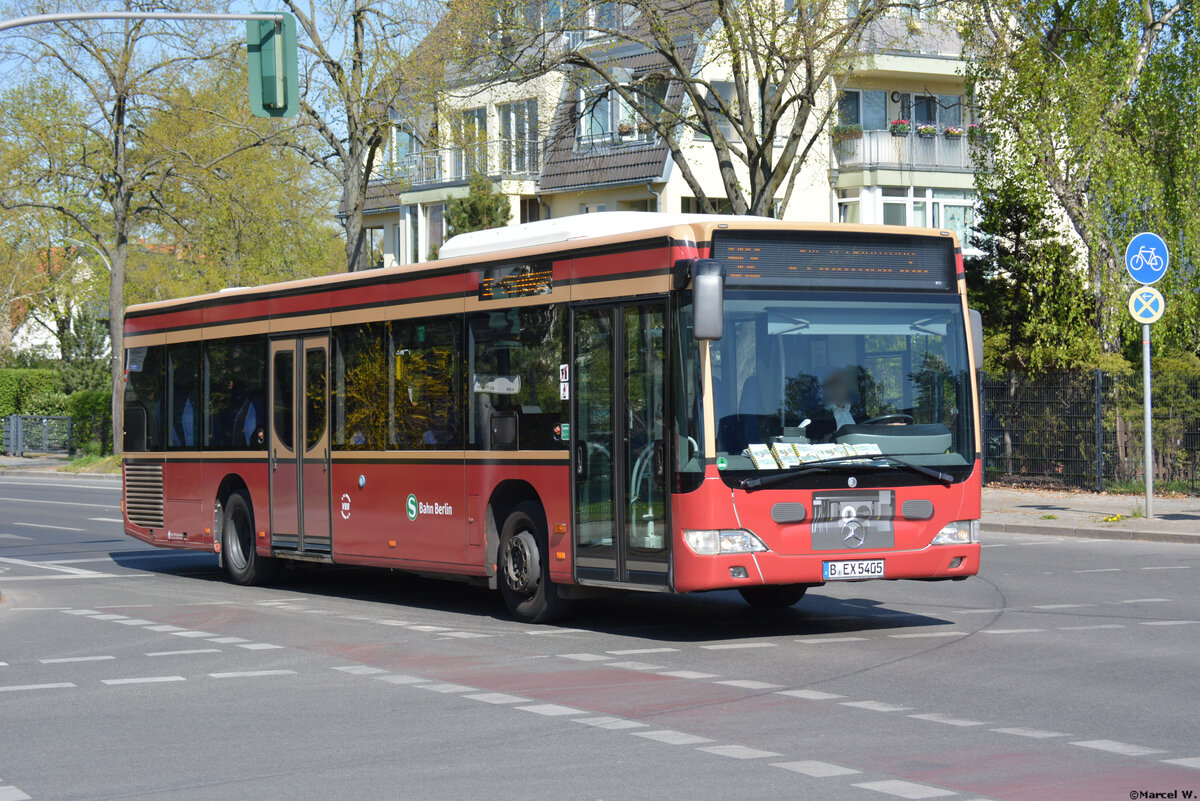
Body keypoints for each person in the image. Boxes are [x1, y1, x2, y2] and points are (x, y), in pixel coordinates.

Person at [805, 367, 867, 442]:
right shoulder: (818, 416)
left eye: (842, 384)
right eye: (833, 384)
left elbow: (870, 426)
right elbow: (815, 439)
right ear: (825, 388)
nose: (838, 388)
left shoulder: (858, 411)